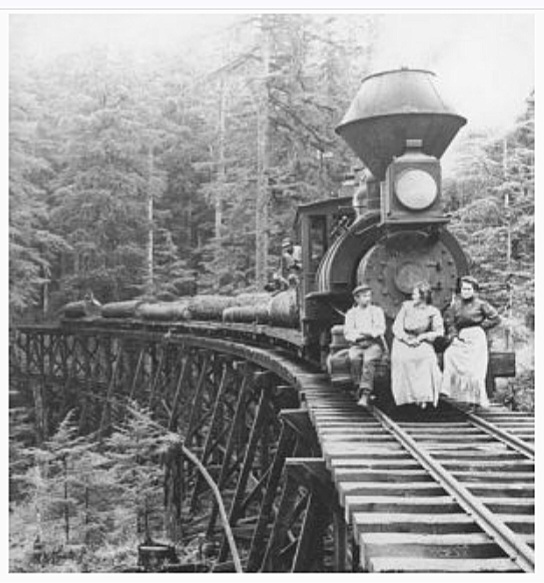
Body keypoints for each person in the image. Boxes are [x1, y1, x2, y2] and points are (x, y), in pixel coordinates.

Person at [441, 275, 501, 409]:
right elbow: (450, 323)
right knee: (449, 355)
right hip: (461, 337)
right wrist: (454, 336)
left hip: (476, 339)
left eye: (469, 289)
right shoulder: (455, 306)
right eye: (464, 289)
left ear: (474, 290)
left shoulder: (481, 304)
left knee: (474, 371)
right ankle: (452, 391)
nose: (466, 292)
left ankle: (475, 401)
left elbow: (496, 318)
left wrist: (481, 327)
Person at [391, 281, 444, 409]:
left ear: (423, 296)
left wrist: (423, 337)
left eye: (415, 294)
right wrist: (405, 339)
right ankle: (406, 398)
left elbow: (439, 331)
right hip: (403, 340)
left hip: (422, 340)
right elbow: (397, 327)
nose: (412, 296)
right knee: (402, 359)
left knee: (427, 359)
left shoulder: (433, 311)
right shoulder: (406, 307)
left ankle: (424, 397)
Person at [344, 284, 386, 407]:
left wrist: (368, 333)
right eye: (364, 296)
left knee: (368, 361)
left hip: (372, 344)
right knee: (354, 359)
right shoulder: (351, 314)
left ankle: (365, 394)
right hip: (357, 344)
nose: (367, 299)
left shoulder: (376, 311)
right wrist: (358, 336)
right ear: (357, 298)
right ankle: (358, 387)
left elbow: (380, 329)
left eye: (369, 296)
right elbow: (348, 332)